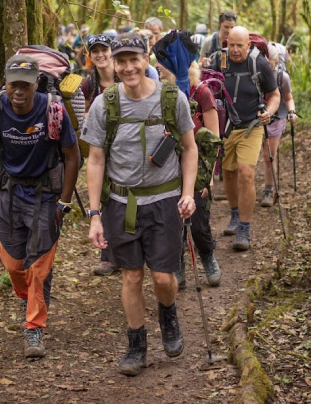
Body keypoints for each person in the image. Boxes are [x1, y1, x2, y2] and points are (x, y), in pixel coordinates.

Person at [83, 33, 197, 377]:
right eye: (122, 61)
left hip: (164, 200)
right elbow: (95, 160)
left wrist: (188, 193)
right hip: (122, 202)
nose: (128, 67)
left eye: (134, 59)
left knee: (163, 277)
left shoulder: (172, 98)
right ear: (114, 64)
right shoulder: (104, 104)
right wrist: (94, 215)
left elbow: (190, 148)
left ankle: (168, 314)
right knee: (132, 276)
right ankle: (137, 345)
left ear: (147, 60)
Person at [0, 55, 81, 358]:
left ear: (37, 83)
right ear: (6, 83)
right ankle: (29, 298)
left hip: (45, 194)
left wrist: (64, 202)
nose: (19, 91)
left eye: (26, 85)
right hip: (8, 193)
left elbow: (73, 155)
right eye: (14, 85)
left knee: (38, 266)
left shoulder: (53, 109)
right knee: (15, 266)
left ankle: (34, 328)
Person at [156, 60, 221, 288]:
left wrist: (209, 177)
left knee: (199, 223)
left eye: (162, 62)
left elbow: (213, 139)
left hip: (198, 167)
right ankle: (177, 263)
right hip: (168, 167)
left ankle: (207, 254)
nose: (157, 66)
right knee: (173, 222)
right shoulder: (159, 94)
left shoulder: (201, 93)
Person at [220, 27, 280, 250]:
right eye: (231, 45)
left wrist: (269, 113)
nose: (235, 50)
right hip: (226, 127)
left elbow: (275, 95)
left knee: (245, 173)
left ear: (248, 44)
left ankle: (244, 227)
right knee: (229, 172)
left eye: (239, 46)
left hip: (251, 126)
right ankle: (235, 214)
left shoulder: (258, 63)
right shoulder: (220, 60)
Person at [80, 34, 121, 276]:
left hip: (129, 146)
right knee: (107, 199)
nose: (100, 54)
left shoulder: (127, 75)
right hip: (101, 149)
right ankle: (108, 256)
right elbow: (81, 116)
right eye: (95, 51)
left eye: (104, 49)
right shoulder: (89, 85)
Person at [260, 44, 297, 206]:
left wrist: (292, 112)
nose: (267, 66)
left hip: (275, 118)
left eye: (270, 62)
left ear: (276, 61)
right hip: (255, 118)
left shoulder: (282, 77)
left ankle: (268, 190)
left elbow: (288, 98)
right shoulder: (255, 74)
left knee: (269, 156)